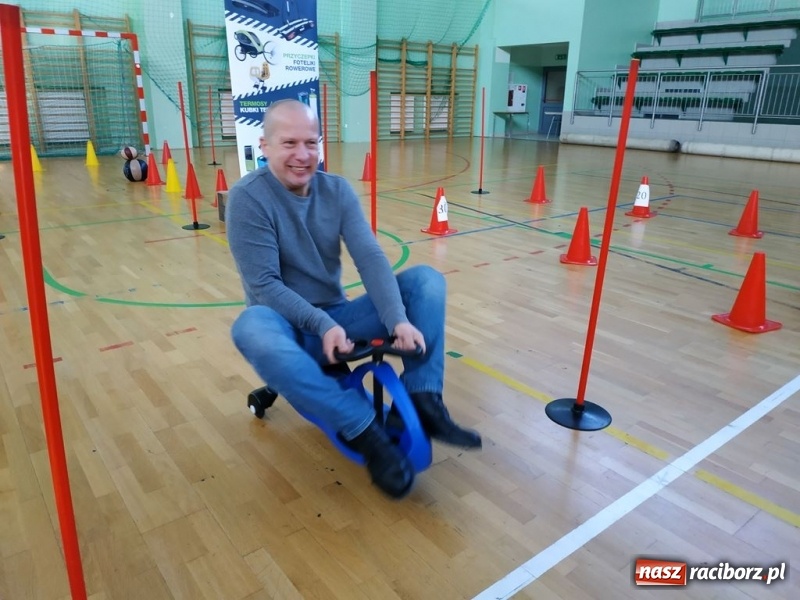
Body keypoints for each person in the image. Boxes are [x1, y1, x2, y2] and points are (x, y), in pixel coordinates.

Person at [226, 99, 481, 499]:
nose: (302, 154)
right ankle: (364, 430)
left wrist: (397, 319)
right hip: (288, 329)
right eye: (289, 143)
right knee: (249, 327)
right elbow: (265, 287)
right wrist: (323, 325)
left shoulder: (338, 191)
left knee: (426, 281)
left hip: (340, 319)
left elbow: (371, 258)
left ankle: (423, 399)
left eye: (311, 142)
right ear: (265, 145)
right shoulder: (247, 198)